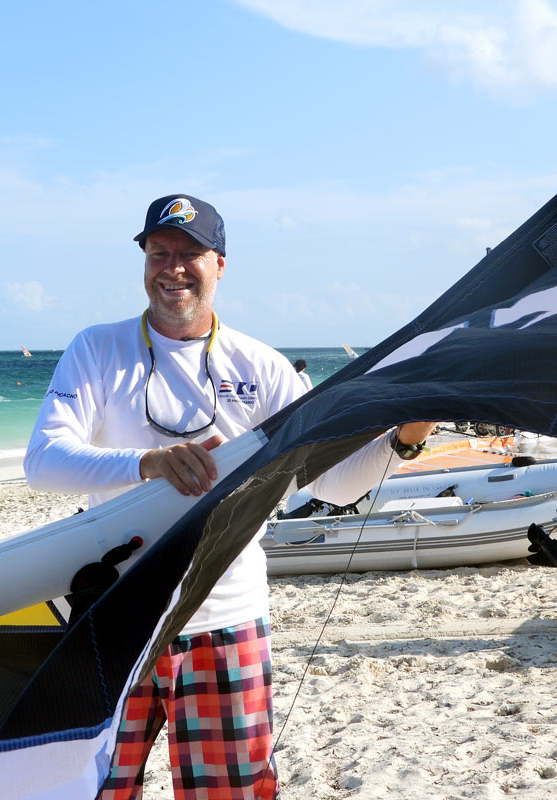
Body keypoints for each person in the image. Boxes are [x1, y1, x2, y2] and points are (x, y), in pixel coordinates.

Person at [24, 194, 435, 799]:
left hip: (225, 622)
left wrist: (405, 438)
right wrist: (149, 462)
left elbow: (331, 483)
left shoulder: (266, 368)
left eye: (191, 254)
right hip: (114, 618)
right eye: (159, 252)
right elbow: (44, 463)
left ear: (220, 263)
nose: (173, 268)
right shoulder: (96, 349)